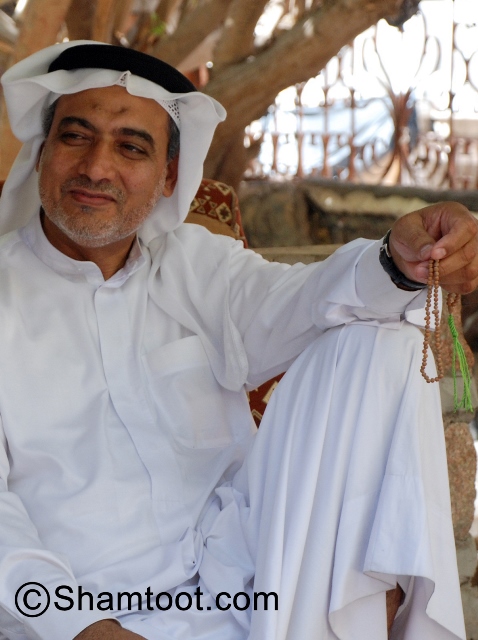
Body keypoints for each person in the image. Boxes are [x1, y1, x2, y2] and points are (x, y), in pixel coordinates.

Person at [0, 40, 475, 640]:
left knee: (382, 345)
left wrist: (399, 259)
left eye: (131, 147)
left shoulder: (197, 266)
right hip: (79, 613)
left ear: (169, 176)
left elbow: (308, 298)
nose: (97, 167)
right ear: (43, 152)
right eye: (76, 137)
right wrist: (82, 626)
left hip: (247, 593)